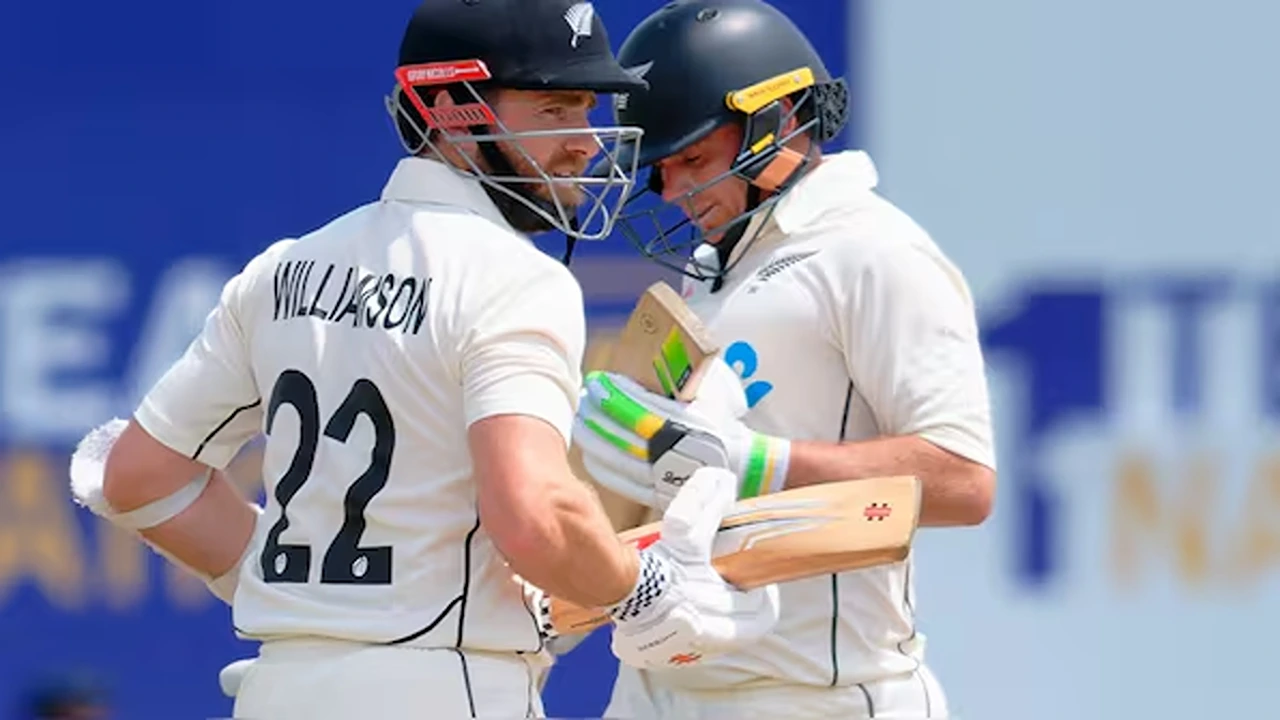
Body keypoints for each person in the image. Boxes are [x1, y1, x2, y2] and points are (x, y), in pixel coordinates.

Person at [66, 1, 781, 718]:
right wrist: (643, 588)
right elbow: (534, 516)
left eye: (589, 107)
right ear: (450, 109)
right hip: (443, 690)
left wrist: (302, 596)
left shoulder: (283, 270)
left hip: (280, 690)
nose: (586, 141)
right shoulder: (512, 278)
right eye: (554, 107)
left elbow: (136, 476)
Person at [571, 0, 997, 717]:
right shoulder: (716, 265)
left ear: (779, 121)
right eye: (662, 169)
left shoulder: (876, 253)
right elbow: (697, 492)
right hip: (663, 685)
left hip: (817, 697)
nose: (673, 193)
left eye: (693, 160)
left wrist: (754, 463)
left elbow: (962, 480)